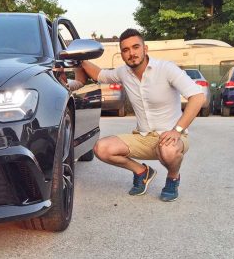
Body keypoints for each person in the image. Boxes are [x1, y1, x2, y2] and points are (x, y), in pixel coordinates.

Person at [81, 28, 205, 201]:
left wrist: (177, 130)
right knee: (101, 148)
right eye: (125, 50)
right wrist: (79, 59)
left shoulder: (166, 69)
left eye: (135, 47)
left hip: (172, 138)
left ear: (145, 49)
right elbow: (100, 75)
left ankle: (173, 178)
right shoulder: (123, 72)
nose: (131, 53)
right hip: (143, 137)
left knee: (168, 151)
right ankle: (142, 172)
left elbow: (198, 97)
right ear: (122, 55)